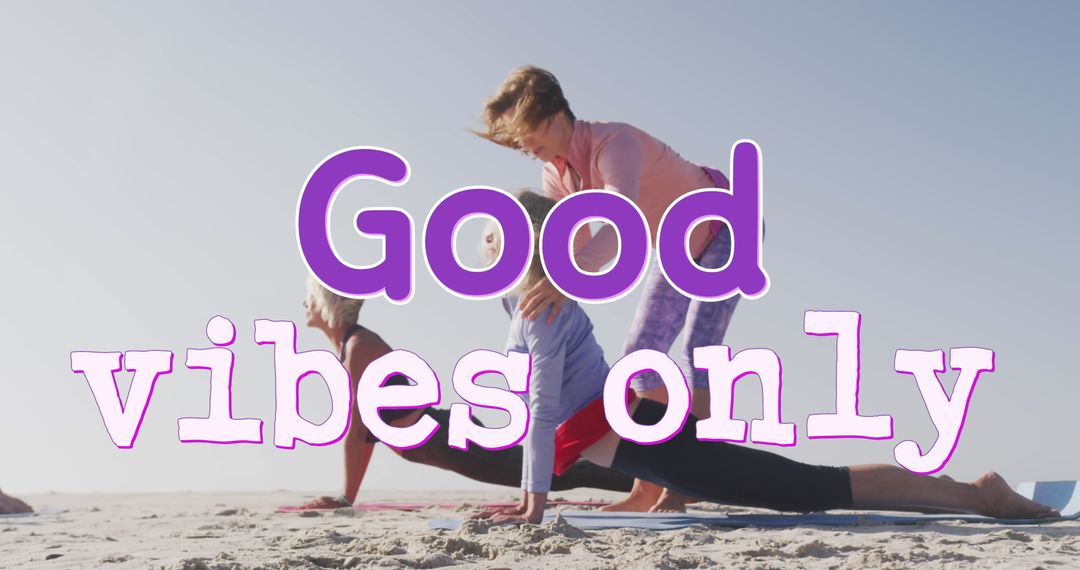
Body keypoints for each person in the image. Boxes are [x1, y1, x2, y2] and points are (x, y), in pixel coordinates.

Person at [475, 191, 1057, 526]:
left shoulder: (540, 310)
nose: (486, 242)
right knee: (805, 486)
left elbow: (541, 406)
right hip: (634, 439)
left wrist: (532, 510)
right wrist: (526, 505)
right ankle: (973, 492)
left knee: (808, 488)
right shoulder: (525, 300)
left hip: (643, 438)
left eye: (498, 234)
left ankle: (979, 494)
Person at [477, 65, 742, 513]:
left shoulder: (612, 143)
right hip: (674, 247)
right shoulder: (555, 178)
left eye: (524, 130)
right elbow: (568, 250)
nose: (523, 144)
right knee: (641, 356)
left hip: (725, 225)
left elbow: (623, 220)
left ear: (552, 110)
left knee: (700, 353)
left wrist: (565, 281)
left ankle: (683, 485)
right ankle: (647, 488)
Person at [297, 277, 632, 509]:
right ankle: (649, 480)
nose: (304, 303)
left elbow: (359, 432)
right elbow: (366, 433)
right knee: (545, 471)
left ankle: (654, 481)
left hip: (446, 441)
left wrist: (345, 498)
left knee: (553, 473)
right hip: (440, 443)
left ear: (328, 303)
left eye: (309, 296)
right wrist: (347, 496)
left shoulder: (359, 346)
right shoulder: (351, 348)